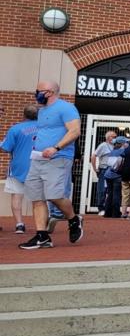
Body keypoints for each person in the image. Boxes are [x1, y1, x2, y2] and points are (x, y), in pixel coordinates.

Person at [19, 81, 83, 250]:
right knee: (37, 198)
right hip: (38, 159)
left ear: (48, 92)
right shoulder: (42, 111)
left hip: (58, 158)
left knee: (54, 196)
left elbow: (75, 131)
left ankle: (73, 219)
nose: (36, 94)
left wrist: (56, 147)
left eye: (38, 91)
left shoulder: (66, 108)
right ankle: (42, 236)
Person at [2, 104, 38, 234]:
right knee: (39, 198)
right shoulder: (45, 128)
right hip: (38, 166)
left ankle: (19, 224)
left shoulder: (15, 129)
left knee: (17, 196)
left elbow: (6, 148)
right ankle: (41, 225)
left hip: (18, 167)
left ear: (24, 115)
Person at [90, 130, 116, 216]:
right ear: (108, 138)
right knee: (102, 189)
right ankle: (101, 208)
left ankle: (108, 208)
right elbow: (94, 156)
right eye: (114, 137)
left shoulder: (114, 146)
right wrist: (95, 168)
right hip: (104, 169)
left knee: (110, 190)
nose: (115, 138)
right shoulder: (103, 145)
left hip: (112, 170)